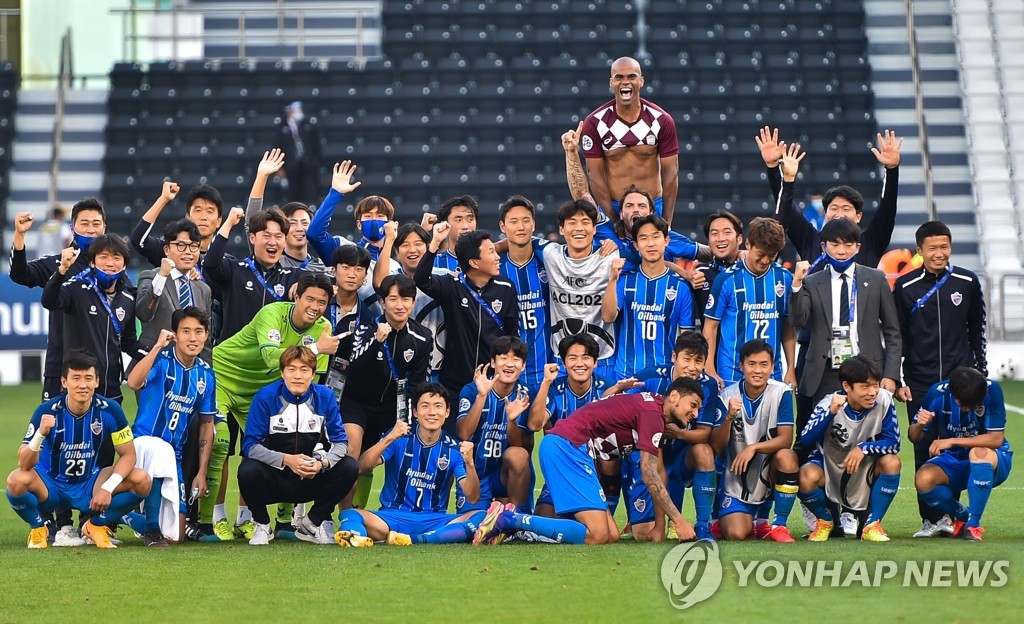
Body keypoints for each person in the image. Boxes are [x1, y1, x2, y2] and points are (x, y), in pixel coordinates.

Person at [474, 378, 704, 545]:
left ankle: (518, 528)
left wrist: (660, 527)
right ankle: (510, 519)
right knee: (598, 534)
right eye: (692, 405)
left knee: (611, 535)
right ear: (673, 397)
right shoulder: (653, 414)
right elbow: (649, 473)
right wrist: (679, 521)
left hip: (572, 450)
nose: (695, 414)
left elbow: (654, 470)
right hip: (568, 446)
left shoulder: (652, 409)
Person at [203, 272, 338, 541]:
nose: (315, 306)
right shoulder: (273, 313)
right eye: (309, 298)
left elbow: (311, 375)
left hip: (259, 391)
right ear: (296, 296)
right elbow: (270, 358)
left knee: (286, 441)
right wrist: (314, 347)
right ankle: (211, 521)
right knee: (220, 443)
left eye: (322, 302)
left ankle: (264, 521)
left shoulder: (323, 327)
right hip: (223, 376)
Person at [894, 220, 987, 537]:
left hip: (959, 384)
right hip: (920, 382)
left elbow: (977, 331)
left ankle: (951, 517)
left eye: (944, 246)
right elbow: (898, 338)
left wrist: (981, 373)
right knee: (923, 447)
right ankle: (930, 519)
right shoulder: (905, 287)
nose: (939, 253)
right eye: (932, 247)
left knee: (957, 448)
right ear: (919, 250)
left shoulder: (967, 281)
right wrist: (897, 377)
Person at [5, 349, 152, 549]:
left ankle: (96, 525)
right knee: (15, 481)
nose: (82, 385)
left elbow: (128, 455)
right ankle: (38, 527)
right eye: (76, 378)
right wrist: (40, 434)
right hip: (50, 485)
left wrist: (107, 489)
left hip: (89, 483)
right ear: (64, 382)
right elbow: (24, 463)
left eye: (88, 378)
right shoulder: (46, 411)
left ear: (97, 381)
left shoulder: (110, 410)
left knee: (142, 480)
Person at [790, 218, 902, 455]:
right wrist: (797, 284)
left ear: (858, 247)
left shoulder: (876, 278)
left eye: (848, 245)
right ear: (824, 247)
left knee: (868, 435)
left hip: (867, 371)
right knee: (818, 441)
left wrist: (891, 374)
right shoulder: (811, 281)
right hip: (824, 372)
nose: (841, 251)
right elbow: (798, 319)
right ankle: (816, 490)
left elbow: (893, 331)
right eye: (835, 244)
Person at [335, 384, 487, 546]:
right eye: (425, 406)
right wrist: (389, 438)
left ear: (447, 412)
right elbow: (362, 466)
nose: (432, 412)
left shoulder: (454, 449)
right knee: (350, 514)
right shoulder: (399, 438)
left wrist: (470, 463)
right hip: (392, 518)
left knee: (481, 516)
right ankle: (355, 537)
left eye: (438, 406)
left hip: (434, 520)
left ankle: (416, 539)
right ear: (415, 412)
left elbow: (473, 496)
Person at [238, 346, 358, 545]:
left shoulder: (325, 397)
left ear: (312, 374)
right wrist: (286, 460)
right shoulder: (266, 397)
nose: (298, 376)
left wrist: (322, 464)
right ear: (282, 372)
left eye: (304, 370)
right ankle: (262, 524)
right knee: (247, 469)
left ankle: (312, 523)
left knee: (349, 466)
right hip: (275, 478)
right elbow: (250, 445)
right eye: (291, 369)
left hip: (311, 478)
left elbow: (341, 443)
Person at [124, 308, 217, 546]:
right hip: (144, 444)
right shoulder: (161, 360)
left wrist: (201, 472)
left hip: (172, 455)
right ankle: (150, 525)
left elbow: (207, 424)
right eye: (186, 331)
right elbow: (133, 382)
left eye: (198, 332)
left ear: (206, 335)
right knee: (158, 448)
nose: (193, 338)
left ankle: (124, 515)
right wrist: (156, 347)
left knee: (176, 537)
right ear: (175, 334)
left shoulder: (205, 375)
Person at [340, 274, 433, 510]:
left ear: (413, 302)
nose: (399, 305)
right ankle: (344, 517)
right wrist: (376, 342)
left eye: (406, 299)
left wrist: (407, 420)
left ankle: (364, 513)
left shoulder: (422, 337)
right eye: (393, 299)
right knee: (352, 451)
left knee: (374, 461)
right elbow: (355, 370)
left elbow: (417, 383)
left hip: (392, 408)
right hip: (357, 403)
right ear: (382, 303)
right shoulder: (365, 328)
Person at [756, 126, 903, 268]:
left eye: (846, 209)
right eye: (834, 208)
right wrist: (773, 168)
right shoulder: (809, 240)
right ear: (825, 214)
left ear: (859, 216)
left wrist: (891, 170)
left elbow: (887, 210)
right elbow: (785, 206)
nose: (840, 214)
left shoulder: (871, 242)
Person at [562, 123, 705, 267]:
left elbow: (712, 253)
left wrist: (696, 274)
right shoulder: (605, 228)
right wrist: (572, 152)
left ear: (651, 212)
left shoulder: (664, 237)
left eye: (641, 206)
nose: (636, 210)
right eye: (629, 206)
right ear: (621, 213)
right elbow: (582, 195)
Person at [626, 331, 723, 541]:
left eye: (699, 361)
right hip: (647, 456)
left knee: (705, 452)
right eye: (686, 359)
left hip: (680, 457)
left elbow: (705, 433)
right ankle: (624, 511)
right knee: (642, 533)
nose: (692, 367)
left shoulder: (708, 385)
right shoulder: (649, 377)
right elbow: (622, 411)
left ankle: (703, 525)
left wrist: (677, 432)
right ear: (673, 357)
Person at [10, 199, 106, 402]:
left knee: (100, 432)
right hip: (60, 367)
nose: (90, 229)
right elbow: (20, 274)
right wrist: (20, 236)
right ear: (72, 228)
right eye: (84, 223)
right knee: (53, 431)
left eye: (96, 224)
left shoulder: (113, 267)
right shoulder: (58, 263)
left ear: (104, 227)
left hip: (101, 371)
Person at [798, 356, 902, 542]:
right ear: (847, 386)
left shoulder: (885, 400)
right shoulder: (828, 403)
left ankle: (872, 524)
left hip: (864, 469)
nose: (873, 392)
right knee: (806, 474)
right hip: (830, 468)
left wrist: (864, 448)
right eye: (865, 386)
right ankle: (825, 521)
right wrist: (830, 413)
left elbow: (894, 442)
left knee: (892, 462)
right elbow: (805, 439)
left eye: (876, 385)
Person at [414, 224, 519, 401]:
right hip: (454, 384)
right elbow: (422, 280)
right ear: (474, 262)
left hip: (492, 382)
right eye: (491, 252)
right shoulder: (452, 285)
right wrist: (434, 244)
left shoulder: (506, 287)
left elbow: (512, 334)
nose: (497, 257)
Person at [709, 340, 799, 543]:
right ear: (741, 366)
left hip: (768, 471)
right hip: (737, 479)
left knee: (787, 457)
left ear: (773, 367)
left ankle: (778, 525)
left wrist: (754, 447)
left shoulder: (781, 392)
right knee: (735, 534)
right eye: (751, 364)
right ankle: (742, 518)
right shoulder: (727, 396)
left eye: (764, 364)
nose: (757, 370)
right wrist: (729, 417)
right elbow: (717, 445)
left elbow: (786, 439)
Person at [912, 367, 1012, 542]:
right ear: (953, 394)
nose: (970, 408)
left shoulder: (992, 389)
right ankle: (963, 515)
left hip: (994, 458)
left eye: (975, 404)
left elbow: (996, 439)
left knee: (978, 453)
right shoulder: (936, 393)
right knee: (923, 479)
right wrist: (919, 425)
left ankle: (973, 525)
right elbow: (914, 437)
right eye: (965, 404)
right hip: (954, 459)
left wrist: (952, 441)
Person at [41, 234, 141, 405]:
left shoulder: (128, 298)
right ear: (92, 262)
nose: (110, 263)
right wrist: (61, 270)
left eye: (116, 258)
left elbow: (129, 342)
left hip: (111, 391)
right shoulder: (76, 288)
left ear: (124, 265)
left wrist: (157, 351)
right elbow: (49, 300)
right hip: (79, 389)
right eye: (103, 257)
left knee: (113, 433)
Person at [580, 57, 679, 225]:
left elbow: (671, 173)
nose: (625, 82)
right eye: (619, 77)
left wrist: (667, 222)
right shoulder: (595, 122)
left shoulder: (661, 120)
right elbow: (594, 176)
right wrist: (614, 219)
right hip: (613, 206)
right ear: (611, 83)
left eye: (631, 77)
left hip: (653, 205)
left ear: (641, 81)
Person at [703, 217, 797, 389]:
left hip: (772, 372)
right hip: (732, 373)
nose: (766, 261)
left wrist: (791, 367)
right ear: (748, 244)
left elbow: (787, 326)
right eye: (761, 255)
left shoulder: (784, 278)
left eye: (772, 256)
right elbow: (711, 326)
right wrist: (709, 367)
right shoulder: (726, 279)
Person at [602, 215, 694, 380]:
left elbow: (687, 337)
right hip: (626, 375)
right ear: (636, 245)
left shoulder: (681, 288)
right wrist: (612, 279)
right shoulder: (624, 281)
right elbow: (608, 317)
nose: (650, 243)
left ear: (666, 241)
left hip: (664, 376)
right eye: (644, 238)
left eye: (656, 236)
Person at [542, 199, 620, 379]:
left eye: (585, 222)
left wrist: (684, 273)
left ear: (594, 229)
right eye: (571, 222)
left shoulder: (611, 257)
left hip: (603, 358)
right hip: (561, 359)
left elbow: (648, 259)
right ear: (561, 229)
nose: (579, 228)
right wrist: (495, 246)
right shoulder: (550, 254)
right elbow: (519, 239)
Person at [203, 206, 305, 342]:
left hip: (271, 357)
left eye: (278, 236)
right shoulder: (234, 270)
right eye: (266, 236)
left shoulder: (292, 276)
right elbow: (210, 263)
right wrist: (228, 224)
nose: (272, 242)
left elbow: (330, 282)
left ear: (285, 240)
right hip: (234, 357)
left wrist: (305, 284)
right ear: (252, 238)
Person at [456, 337, 533, 513]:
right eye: (504, 358)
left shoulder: (526, 393)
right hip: (474, 472)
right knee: (473, 526)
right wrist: (481, 397)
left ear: (523, 366)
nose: (510, 364)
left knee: (519, 455)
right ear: (493, 362)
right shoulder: (472, 389)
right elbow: (464, 434)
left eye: (516, 359)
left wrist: (511, 421)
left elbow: (519, 447)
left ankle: (516, 519)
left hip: (503, 476)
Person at [374, 221, 449, 374]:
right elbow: (379, 283)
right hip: (396, 363)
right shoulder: (392, 278)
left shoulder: (444, 276)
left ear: (428, 246)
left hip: (439, 365)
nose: (412, 250)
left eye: (418, 243)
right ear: (397, 251)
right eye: (405, 245)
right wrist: (389, 240)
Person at [135, 219, 214, 364]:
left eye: (194, 246)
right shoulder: (151, 276)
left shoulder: (203, 289)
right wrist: (162, 276)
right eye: (181, 245)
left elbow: (205, 339)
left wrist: (208, 372)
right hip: (155, 367)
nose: (188, 252)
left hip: (190, 371)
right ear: (166, 250)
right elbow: (143, 314)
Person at [497, 195, 551, 397]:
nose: (520, 226)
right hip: (510, 369)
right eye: (513, 221)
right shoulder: (495, 269)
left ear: (534, 225)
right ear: (502, 226)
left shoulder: (549, 262)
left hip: (549, 364)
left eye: (526, 220)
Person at [307, 160, 396, 264]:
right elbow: (314, 234)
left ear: (389, 224)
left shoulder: (395, 266)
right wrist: (335, 193)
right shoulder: (344, 250)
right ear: (359, 224)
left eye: (380, 216)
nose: (374, 220)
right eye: (368, 216)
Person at [130, 181, 224, 268]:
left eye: (210, 211)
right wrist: (163, 199)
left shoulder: (224, 264)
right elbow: (138, 240)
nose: (203, 217)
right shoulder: (173, 253)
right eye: (198, 210)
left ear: (219, 221)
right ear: (188, 218)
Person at [688, 210, 743, 327]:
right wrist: (686, 277)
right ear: (708, 241)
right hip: (710, 344)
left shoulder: (751, 271)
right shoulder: (700, 274)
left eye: (727, 232)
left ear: (739, 239)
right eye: (714, 234)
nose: (720, 238)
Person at [275, 101, 324, 204]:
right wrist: (280, 167)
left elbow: (317, 145)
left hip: (308, 166)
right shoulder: (282, 128)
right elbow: (278, 147)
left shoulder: (308, 125)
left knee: (310, 193)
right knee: (292, 195)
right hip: (291, 167)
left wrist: (315, 161)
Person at [432, 195, 480, 272]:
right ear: (445, 224)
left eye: (470, 219)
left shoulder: (491, 260)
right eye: (458, 220)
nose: (465, 226)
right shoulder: (434, 263)